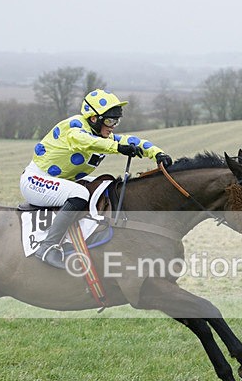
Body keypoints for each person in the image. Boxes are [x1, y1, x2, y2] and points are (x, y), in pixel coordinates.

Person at [20, 89, 172, 268]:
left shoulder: (102, 135)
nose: (113, 125)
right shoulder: (74, 127)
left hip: (63, 180)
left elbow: (130, 140)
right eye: (109, 120)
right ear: (94, 118)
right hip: (35, 180)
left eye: (116, 120)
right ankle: (48, 247)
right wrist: (118, 148)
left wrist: (157, 153)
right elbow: (87, 141)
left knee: (105, 186)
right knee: (80, 194)